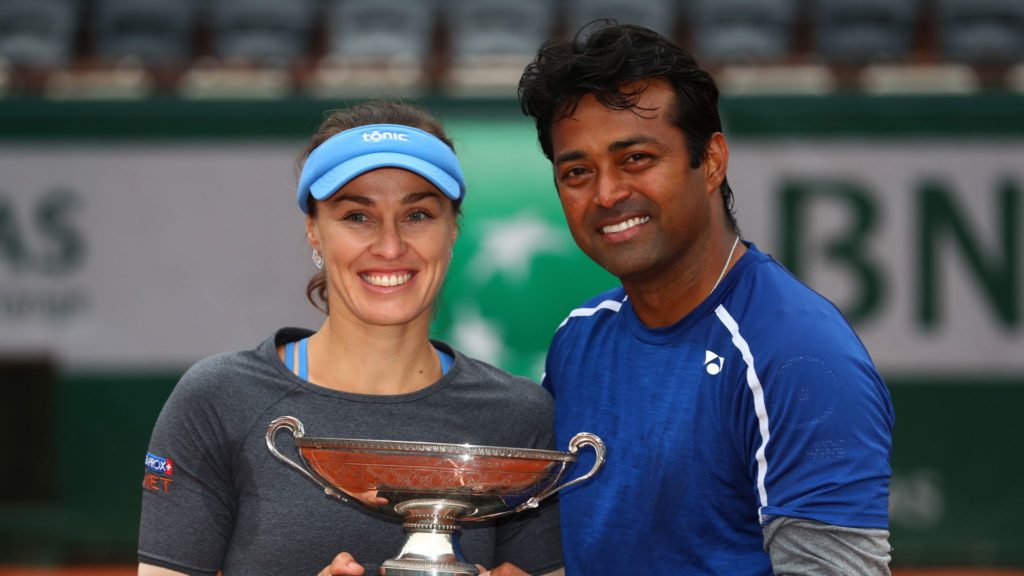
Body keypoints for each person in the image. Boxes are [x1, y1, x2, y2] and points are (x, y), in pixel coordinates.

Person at [518, 23, 895, 575]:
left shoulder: (801, 354)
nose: (606, 193)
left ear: (712, 160)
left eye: (636, 158)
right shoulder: (580, 337)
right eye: (577, 171)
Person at [137, 101, 563, 576]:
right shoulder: (218, 398)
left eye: (418, 214)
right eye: (357, 217)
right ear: (314, 231)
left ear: (452, 231)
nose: (389, 245)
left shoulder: (520, 415)